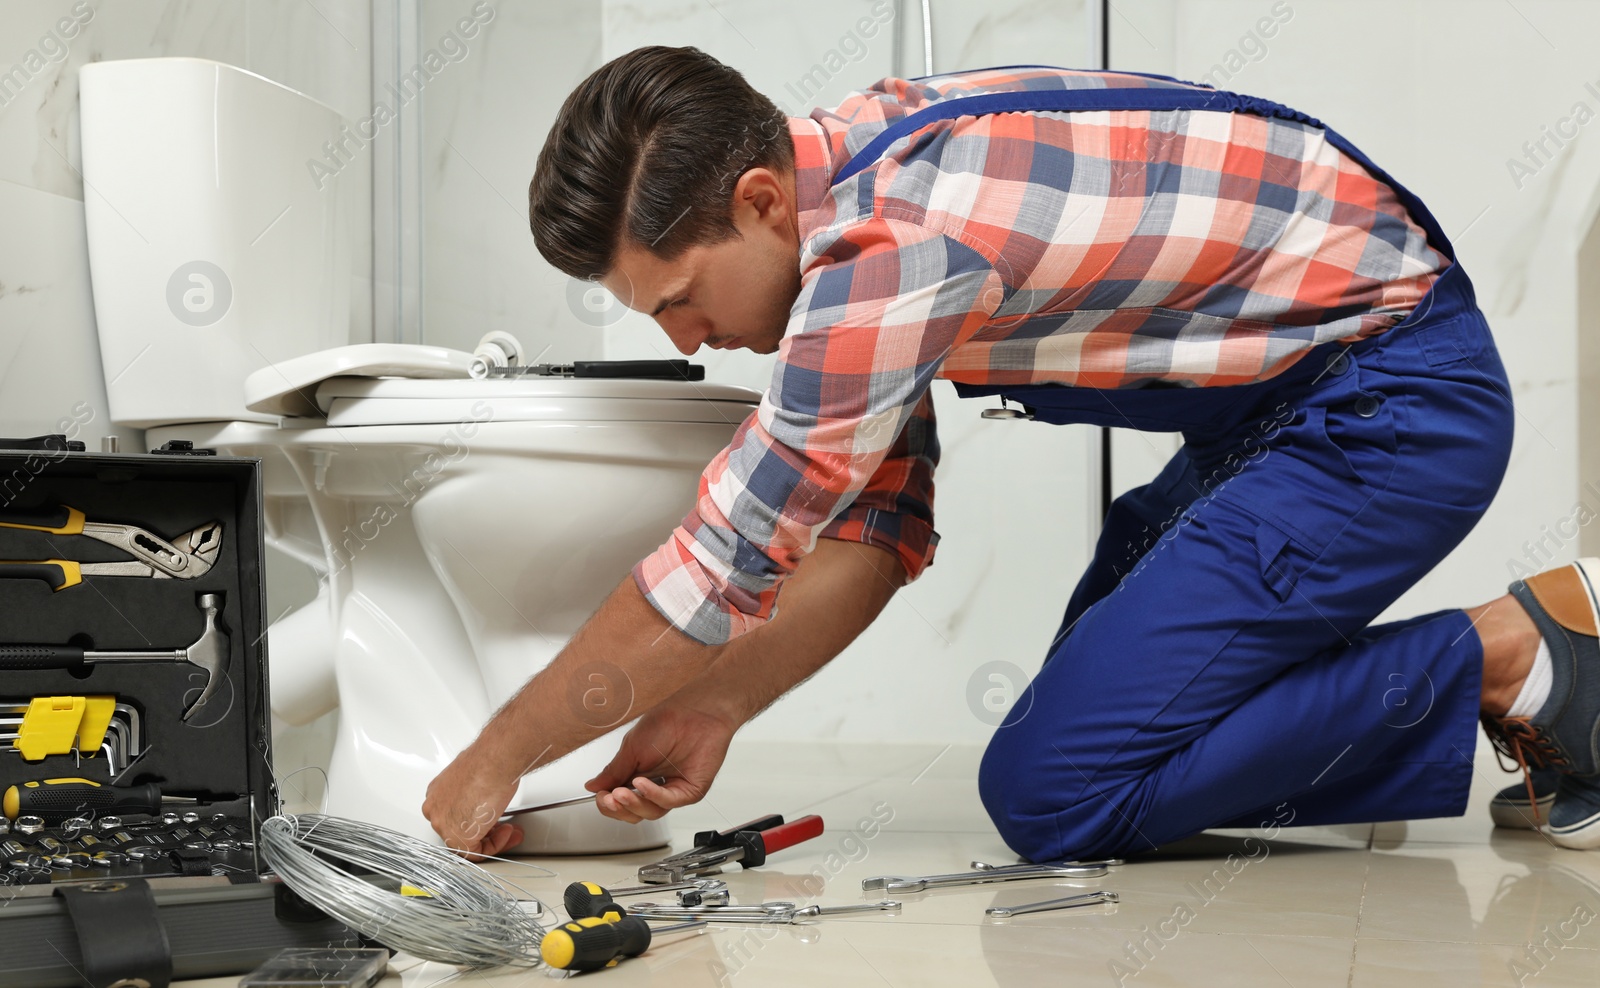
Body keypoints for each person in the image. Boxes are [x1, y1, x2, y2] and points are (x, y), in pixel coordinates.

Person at [421, 46, 1600, 860]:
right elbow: (877, 532)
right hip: (1289, 414)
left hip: (1389, 411)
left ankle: (1514, 655)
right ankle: (1462, 704)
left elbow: (720, 558)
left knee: (1052, 787)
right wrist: (718, 705)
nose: (687, 340)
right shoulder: (854, 195)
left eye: (679, 298)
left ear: (762, 199)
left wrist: (492, 759)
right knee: (1110, 735)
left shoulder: (891, 247)